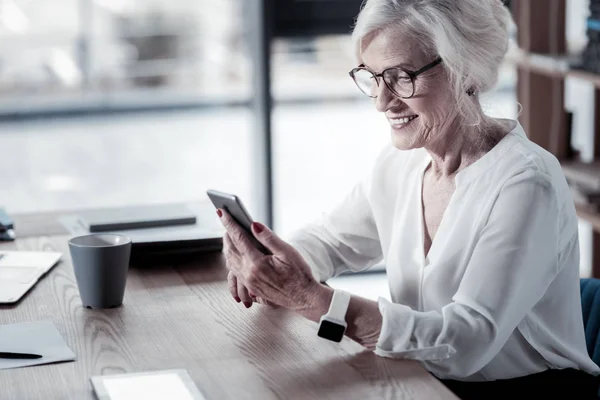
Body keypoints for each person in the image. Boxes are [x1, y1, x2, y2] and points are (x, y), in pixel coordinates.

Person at [217, 0, 600, 398]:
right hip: (426, 381)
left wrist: (316, 301)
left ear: (464, 70)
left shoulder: (526, 183)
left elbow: (466, 342)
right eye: (373, 76)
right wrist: (269, 264)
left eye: (401, 77)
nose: (382, 101)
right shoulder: (403, 164)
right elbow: (331, 240)